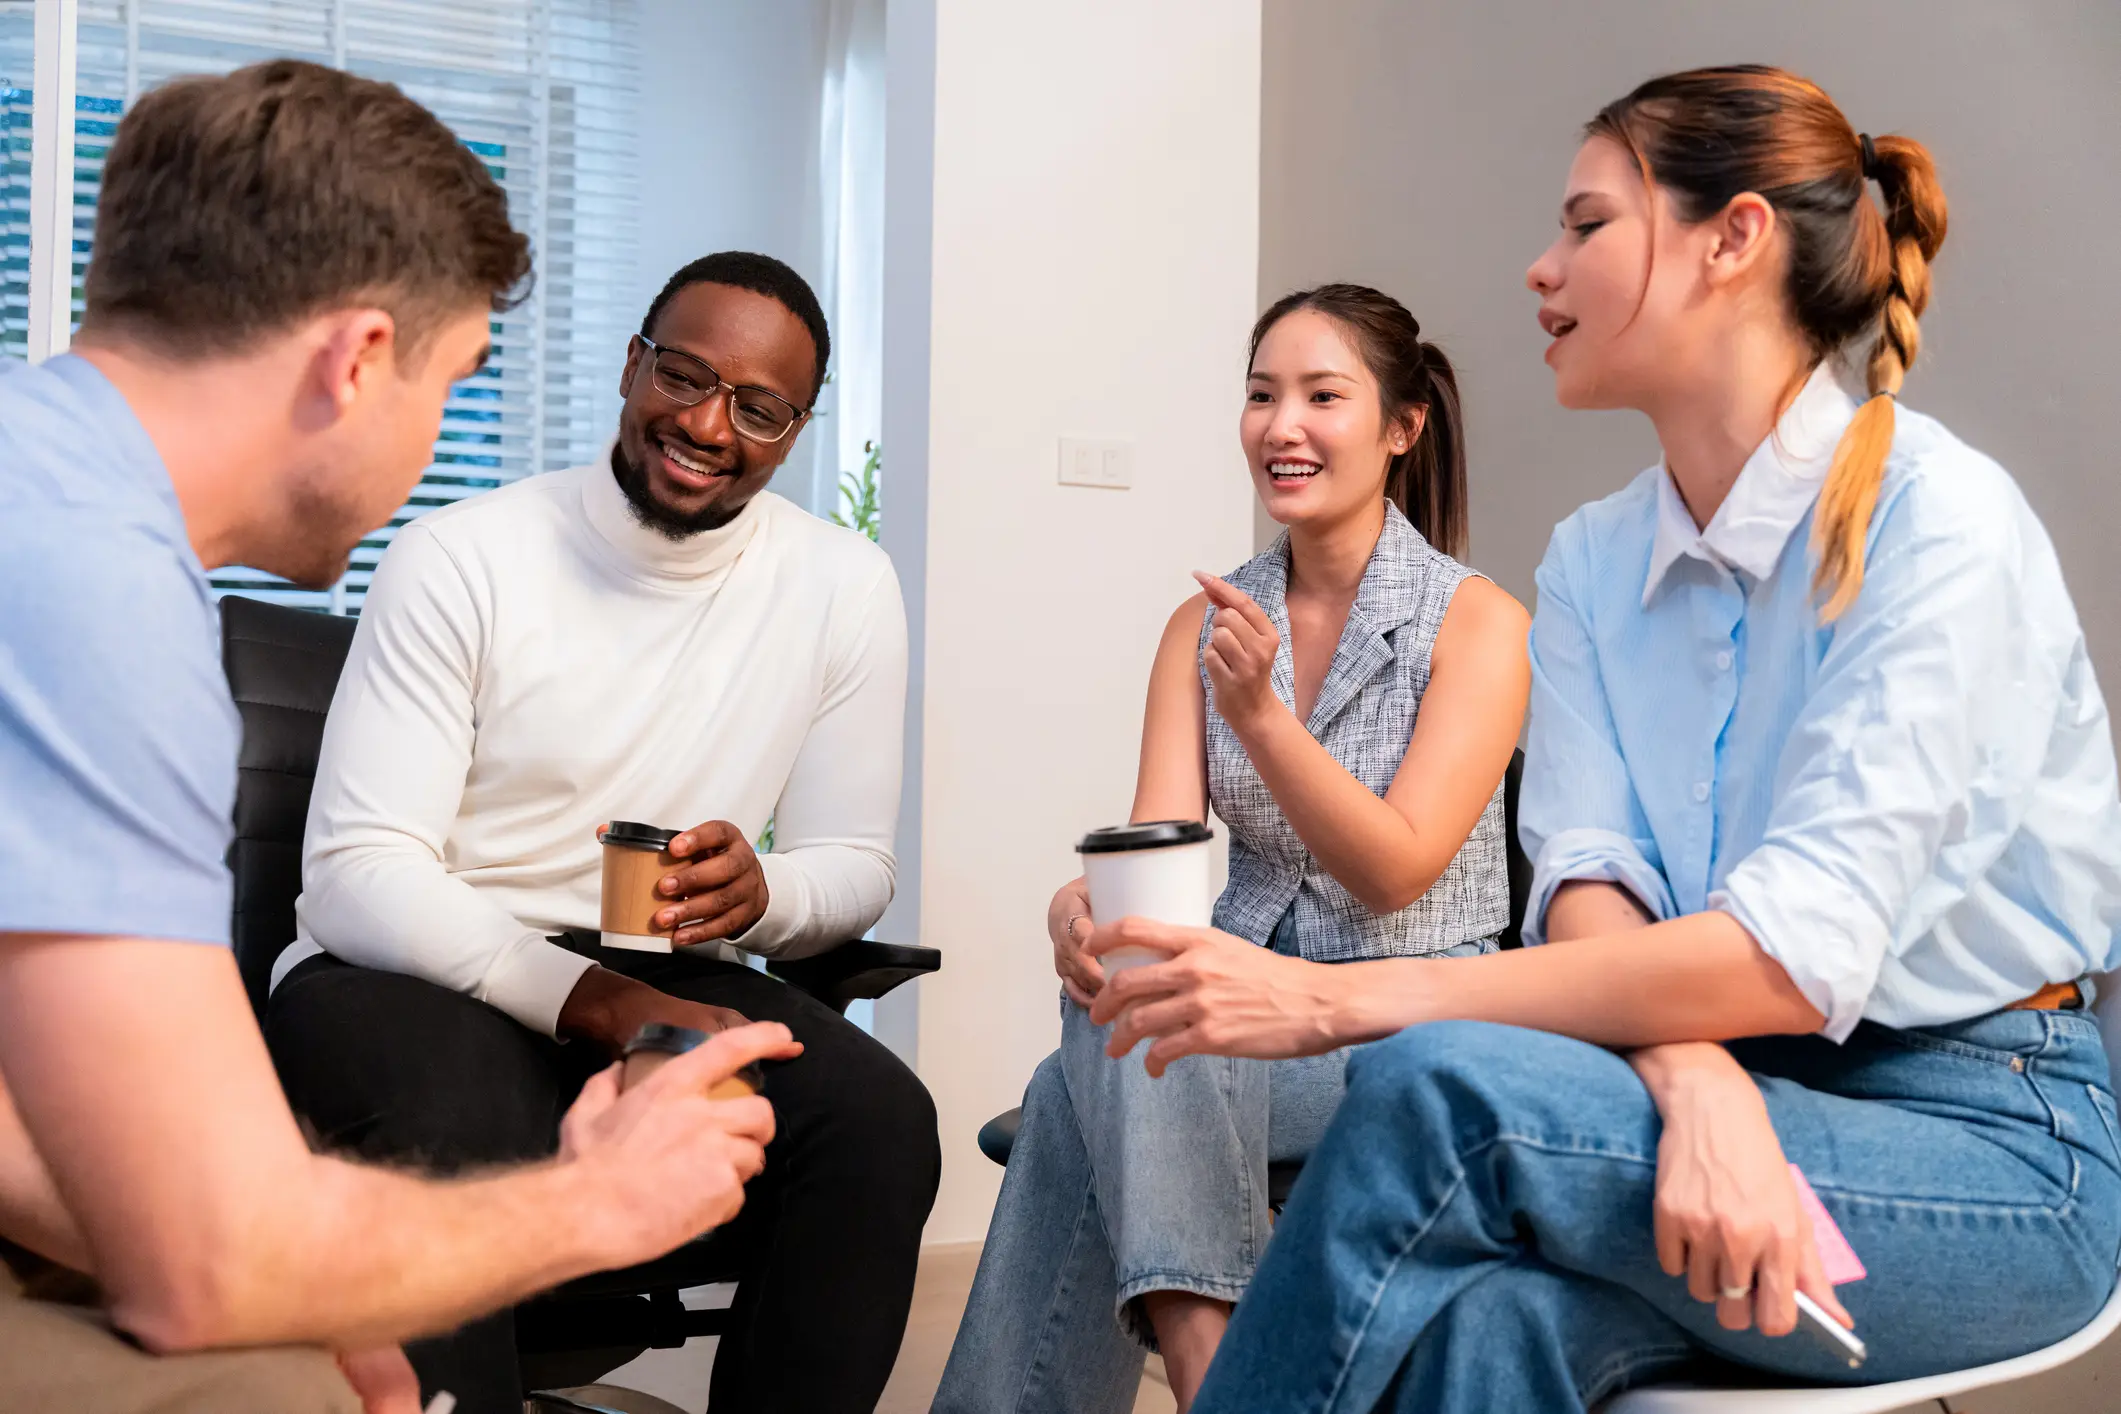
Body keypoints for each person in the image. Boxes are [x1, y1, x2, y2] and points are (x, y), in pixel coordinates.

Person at [1081, 65, 2121, 1414]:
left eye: (1584, 224)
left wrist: (1338, 1000)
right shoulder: (1590, 559)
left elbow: (1791, 957)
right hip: (1710, 1083)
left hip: (1990, 1138)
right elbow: (1586, 886)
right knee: (1495, 1328)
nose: (1538, 267)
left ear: (1732, 240)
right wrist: (1696, 1078)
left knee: (1433, 1080)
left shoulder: (1942, 525)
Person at [0, 61, 793, 1414]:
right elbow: (207, 1257)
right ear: (360, 359)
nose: (437, 442)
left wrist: (326, 1277)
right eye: (454, 380)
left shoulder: (43, 486)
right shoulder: (101, 587)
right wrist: (595, 1199)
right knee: (276, 1395)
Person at [262, 250, 939, 1414]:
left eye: (759, 408)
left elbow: (855, 865)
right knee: (453, 1124)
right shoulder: (462, 555)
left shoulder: (843, 586)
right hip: (415, 967)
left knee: (878, 1122)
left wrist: (765, 894)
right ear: (633, 367)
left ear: (795, 430)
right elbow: (359, 871)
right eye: (683, 375)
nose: (709, 424)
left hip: (657, 972)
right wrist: (598, 1002)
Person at [935, 285, 1530, 1413]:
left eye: (1321, 396)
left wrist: (1265, 719)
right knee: (1128, 1010)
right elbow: (1153, 857)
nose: (1281, 425)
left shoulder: (1479, 624)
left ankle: (1221, 1382)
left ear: (1402, 427)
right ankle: (1233, 1382)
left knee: (1095, 1070)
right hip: (1235, 1020)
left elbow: (1397, 867)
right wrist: (1080, 911)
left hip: (1414, 1022)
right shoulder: (1202, 624)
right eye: (1261, 396)